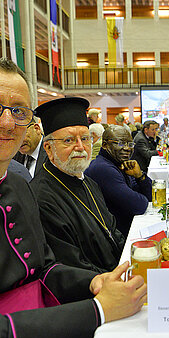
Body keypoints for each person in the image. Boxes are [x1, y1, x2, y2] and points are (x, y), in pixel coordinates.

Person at [0, 57, 146, 338]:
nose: (7, 122)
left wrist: (95, 282)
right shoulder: (41, 191)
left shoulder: (19, 186)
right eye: (68, 141)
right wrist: (98, 309)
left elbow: (45, 268)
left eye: (18, 111)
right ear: (49, 150)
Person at [30, 97, 125, 273]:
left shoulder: (89, 182)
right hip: (92, 289)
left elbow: (112, 230)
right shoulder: (42, 198)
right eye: (69, 140)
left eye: (85, 138)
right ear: (48, 149)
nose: (80, 147)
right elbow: (71, 266)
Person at [85, 125, 152, 237]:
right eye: (120, 143)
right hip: (114, 238)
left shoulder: (119, 164)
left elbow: (149, 197)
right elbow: (139, 205)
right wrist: (140, 195)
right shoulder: (103, 169)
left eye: (130, 144)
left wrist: (140, 176)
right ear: (105, 145)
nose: (127, 148)